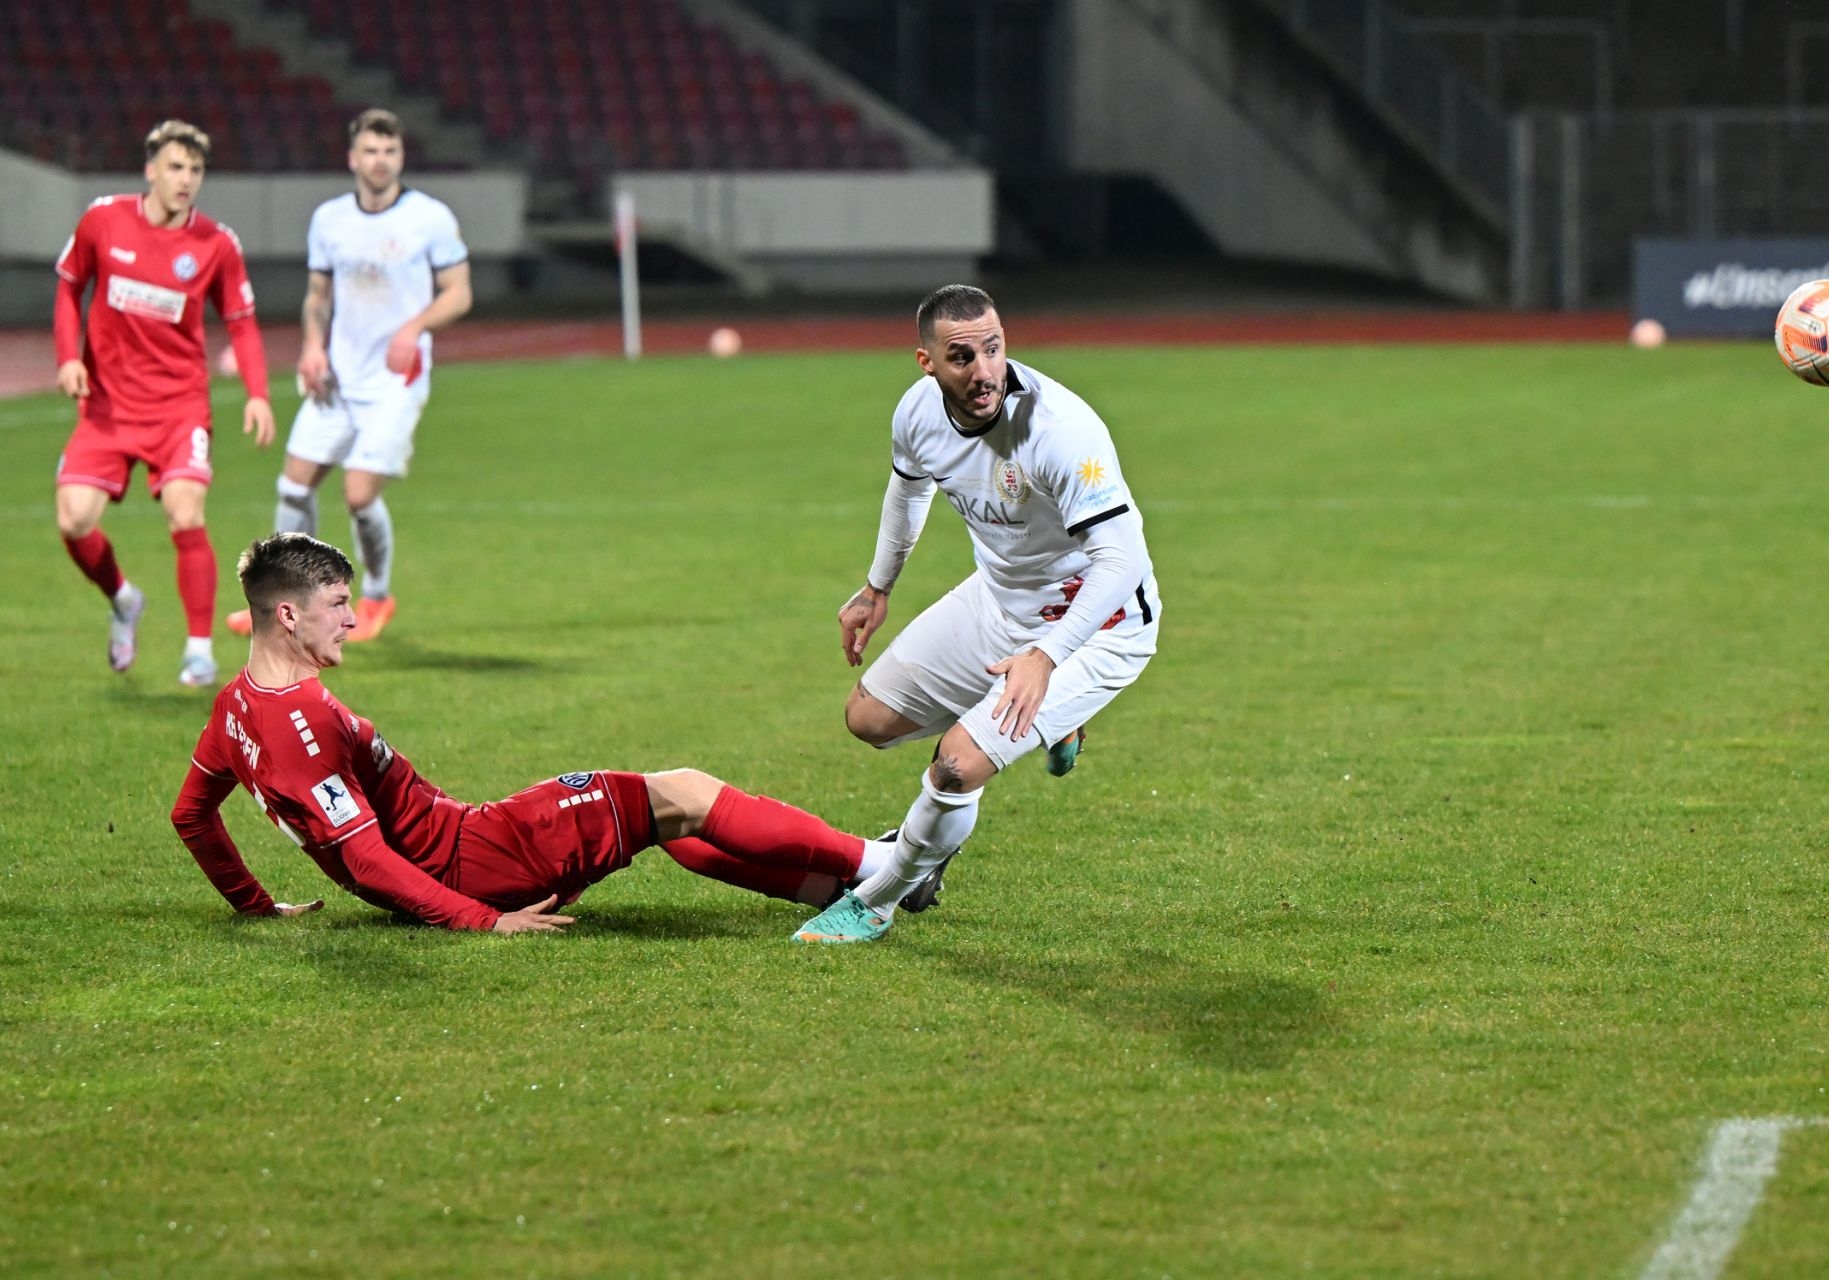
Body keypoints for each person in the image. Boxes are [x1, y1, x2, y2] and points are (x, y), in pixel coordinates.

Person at [175, 533, 897, 933]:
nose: (353, 620)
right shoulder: (302, 727)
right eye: (337, 604)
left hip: (469, 842)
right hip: (476, 862)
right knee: (681, 791)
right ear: (289, 616)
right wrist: (485, 922)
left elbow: (192, 815)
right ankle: (885, 866)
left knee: (663, 822)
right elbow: (366, 860)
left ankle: (826, 889)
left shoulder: (237, 707)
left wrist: (253, 904)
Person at [793, 285, 1162, 944]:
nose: (984, 369)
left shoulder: (1060, 431)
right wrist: (877, 588)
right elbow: (909, 489)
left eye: (993, 348)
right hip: (997, 601)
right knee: (867, 720)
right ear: (926, 362)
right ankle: (1058, 726)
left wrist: (1045, 659)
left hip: (1095, 627)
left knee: (957, 766)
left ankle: (878, 899)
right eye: (962, 356)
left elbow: (1123, 561)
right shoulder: (917, 413)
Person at [225, 109, 471, 644]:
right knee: (293, 485)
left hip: (394, 380)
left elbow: (459, 292)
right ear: (352, 158)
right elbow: (318, 297)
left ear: (400, 157)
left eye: (390, 151)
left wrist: (415, 326)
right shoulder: (330, 219)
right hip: (339, 377)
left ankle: (378, 595)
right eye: (371, 151)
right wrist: (313, 349)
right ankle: (283, 605)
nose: (380, 161)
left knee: (358, 494)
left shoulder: (429, 217)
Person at [54, 119, 276, 687]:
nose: (186, 179)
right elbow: (69, 284)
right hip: (106, 407)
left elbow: (242, 324)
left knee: (185, 511)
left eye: (196, 170)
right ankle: (124, 599)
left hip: (179, 409)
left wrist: (258, 394)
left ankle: (198, 651)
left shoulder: (216, 244)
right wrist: (67, 357)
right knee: (74, 520)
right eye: (175, 167)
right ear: (150, 170)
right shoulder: (103, 219)